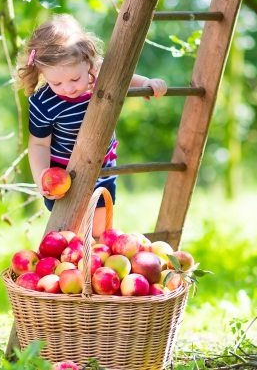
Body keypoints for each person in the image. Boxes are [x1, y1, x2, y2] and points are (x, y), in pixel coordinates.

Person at [14, 14, 167, 237]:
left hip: (102, 165)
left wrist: (146, 83)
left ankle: (94, 263)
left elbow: (124, 77)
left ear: (88, 61)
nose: (67, 87)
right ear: (42, 73)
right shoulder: (43, 103)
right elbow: (38, 144)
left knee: (99, 229)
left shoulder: (99, 76)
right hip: (65, 171)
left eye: (75, 79)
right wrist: (41, 178)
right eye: (56, 82)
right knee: (70, 229)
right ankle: (72, 266)